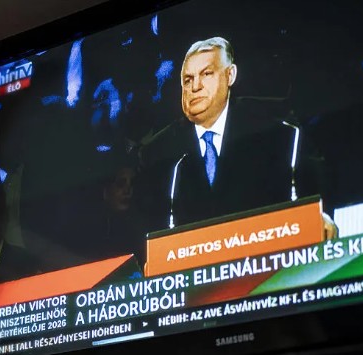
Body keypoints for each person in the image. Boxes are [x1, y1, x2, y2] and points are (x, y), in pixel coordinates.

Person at [136, 36, 337, 238]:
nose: (195, 86)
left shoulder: (277, 132)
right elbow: (146, 228)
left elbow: (314, 189)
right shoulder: (158, 151)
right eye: (188, 80)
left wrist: (322, 216)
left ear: (230, 75)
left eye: (206, 74)